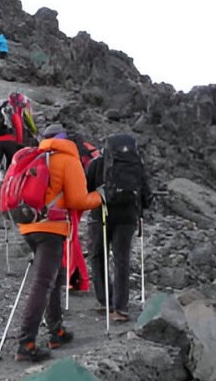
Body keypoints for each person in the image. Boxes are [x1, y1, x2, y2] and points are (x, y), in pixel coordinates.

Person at [14, 124, 103, 362]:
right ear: (65, 139)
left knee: (52, 277)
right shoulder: (67, 159)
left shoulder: (34, 155)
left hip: (28, 225)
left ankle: (57, 331)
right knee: (43, 283)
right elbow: (78, 199)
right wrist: (101, 196)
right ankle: (26, 343)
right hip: (51, 228)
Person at [86, 134, 152, 322]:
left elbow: (86, 189)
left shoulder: (97, 164)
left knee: (99, 256)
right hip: (128, 218)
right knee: (121, 259)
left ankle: (105, 300)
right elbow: (146, 193)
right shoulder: (136, 164)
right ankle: (121, 307)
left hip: (102, 215)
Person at [44, 125, 98, 293]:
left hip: (68, 198)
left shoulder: (59, 152)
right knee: (71, 237)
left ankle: (73, 279)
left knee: (69, 238)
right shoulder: (83, 148)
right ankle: (80, 280)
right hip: (84, 194)